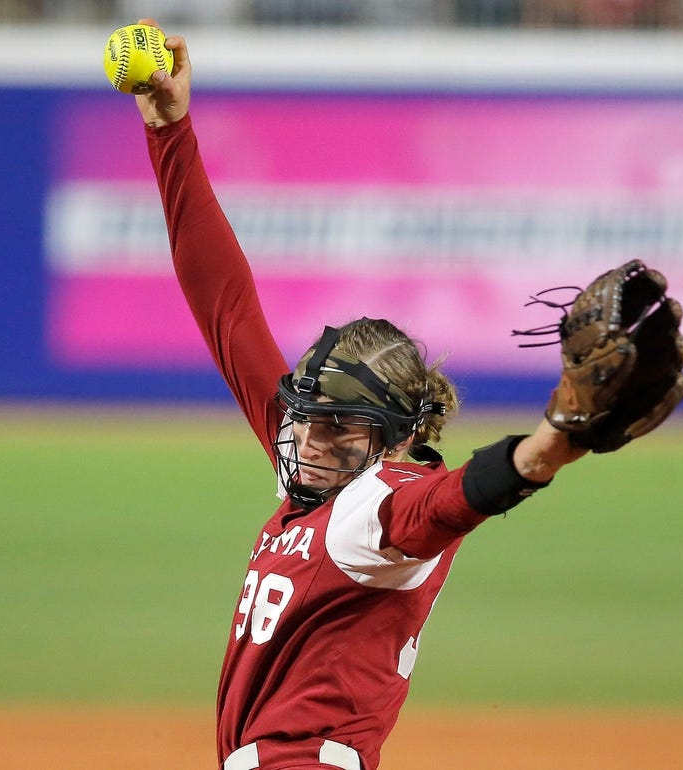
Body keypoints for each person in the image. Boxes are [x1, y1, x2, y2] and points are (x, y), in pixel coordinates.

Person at [131, 20, 588, 770]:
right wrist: (171, 130)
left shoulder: (378, 505)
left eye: (339, 426)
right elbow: (225, 304)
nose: (309, 438)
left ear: (397, 437)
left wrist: (550, 444)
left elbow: (455, 500)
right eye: (308, 416)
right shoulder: (313, 461)